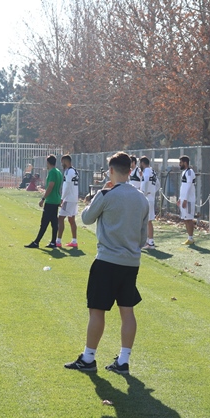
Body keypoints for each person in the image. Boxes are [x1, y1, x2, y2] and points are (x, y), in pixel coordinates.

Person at [65, 152, 149, 374]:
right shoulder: (142, 199)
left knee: (97, 310)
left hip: (107, 261)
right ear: (130, 170)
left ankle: (88, 358)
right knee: (127, 311)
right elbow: (143, 239)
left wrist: (99, 194)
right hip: (131, 263)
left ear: (111, 170)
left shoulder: (106, 194)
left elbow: (86, 218)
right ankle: (123, 361)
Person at [24, 155, 63, 248]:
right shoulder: (58, 172)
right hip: (56, 199)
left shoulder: (52, 172)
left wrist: (43, 198)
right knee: (54, 222)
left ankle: (36, 242)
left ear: (48, 163)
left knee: (44, 222)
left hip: (50, 200)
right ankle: (53, 242)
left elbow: (51, 186)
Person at [56, 155, 79, 248]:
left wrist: (62, 198)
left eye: (62, 162)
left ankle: (58, 241)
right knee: (71, 219)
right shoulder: (74, 170)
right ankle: (74, 241)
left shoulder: (69, 171)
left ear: (66, 161)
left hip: (68, 199)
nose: (62, 164)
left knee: (60, 218)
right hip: (74, 198)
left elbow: (68, 186)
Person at [139, 156, 159, 249]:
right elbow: (158, 184)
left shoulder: (146, 171)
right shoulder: (152, 171)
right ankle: (148, 241)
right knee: (147, 220)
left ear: (143, 163)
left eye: (140, 163)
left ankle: (151, 242)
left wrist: (145, 192)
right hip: (150, 197)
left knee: (148, 221)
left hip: (147, 197)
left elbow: (146, 181)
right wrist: (152, 192)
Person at [177, 155, 196, 245]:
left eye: (180, 162)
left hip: (188, 200)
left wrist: (185, 199)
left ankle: (191, 238)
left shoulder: (190, 172)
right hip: (183, 199)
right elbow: (183, 187)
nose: (179, 164)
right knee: (185, 219)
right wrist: (180, 198)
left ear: (185, 163)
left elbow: (188, 186)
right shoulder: (184, 172)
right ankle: (189, 238)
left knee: (189, 219)